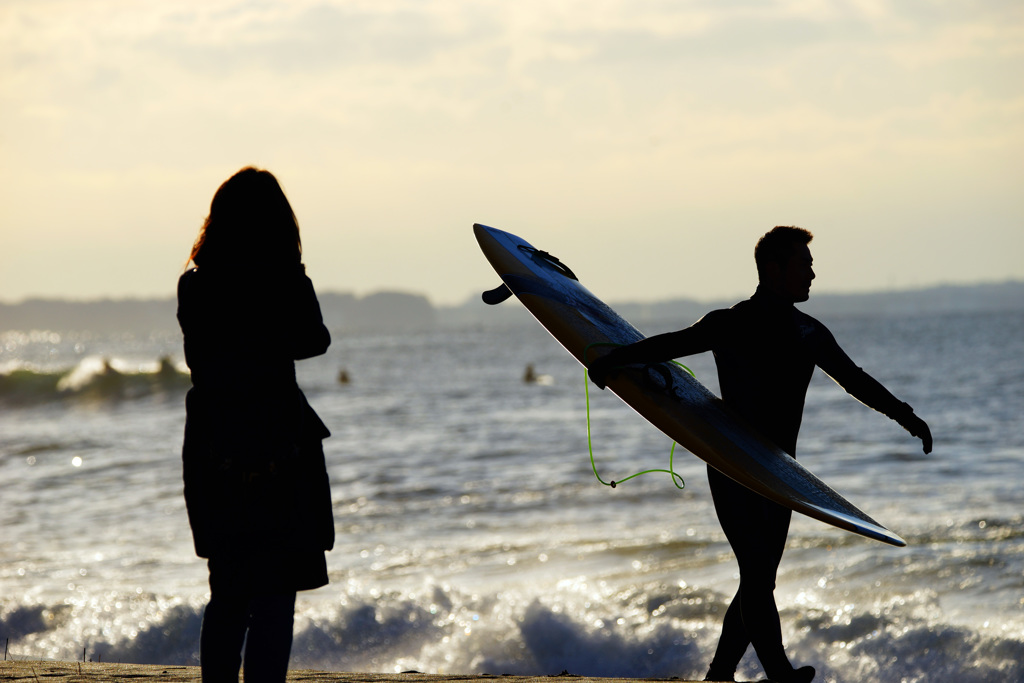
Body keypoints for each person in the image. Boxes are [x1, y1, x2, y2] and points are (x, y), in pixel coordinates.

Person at [587, 226, 931, 683]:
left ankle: (720, 674)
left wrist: (907, 417)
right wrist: (614, 360)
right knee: (754, 568)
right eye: (803, 264)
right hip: (734, 463)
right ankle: (777, 673)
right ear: (774, 269)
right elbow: (669, 346)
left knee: (760, 576)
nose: (812, 273)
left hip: (780, 471)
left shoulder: (809, 333)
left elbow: (855, 380)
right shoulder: (733, 323)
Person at [177, 167, 335, 683]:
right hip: (277, 446)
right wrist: (292, 273)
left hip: (215, 446)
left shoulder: (196, 288)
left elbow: (207, 360)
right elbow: (314, 340)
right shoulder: (279, 284)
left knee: (228, 591)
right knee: (273, 596)